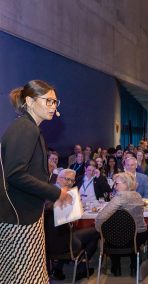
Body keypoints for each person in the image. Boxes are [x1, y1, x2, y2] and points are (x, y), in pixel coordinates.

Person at [0, 80, 72, 283]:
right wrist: (55, 193)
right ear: (30, 101)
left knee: (29, 275)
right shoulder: (25, 128)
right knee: (22, 278)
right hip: (20, 218)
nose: (53, 106)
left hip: (25, 215)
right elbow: (15, 174)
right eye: (48, 101)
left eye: (55, 102)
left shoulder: (28, 127)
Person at [45, 169, 98, 281]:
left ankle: (58, 268)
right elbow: (73, 220)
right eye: (67, 179)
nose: (69, 183)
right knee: (95, 232)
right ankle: (81, 267)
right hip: (64, 244)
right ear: (59, 178)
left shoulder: (59, 192)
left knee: (72, 233)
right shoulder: (54, 193)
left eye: (72, 181)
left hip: (47, 243)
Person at [95, 172, 147, 276]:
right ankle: (134, 266)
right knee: (124, 229)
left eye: (116, 183)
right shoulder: (138, 195)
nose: (114, 186)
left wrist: (98, 229)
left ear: (126, 183)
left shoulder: (120, 197)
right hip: (139, 236)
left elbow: (101, 217)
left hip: (122, 238)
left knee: (110, 232)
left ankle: (116, 267)